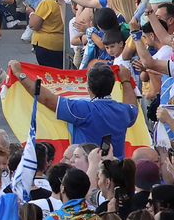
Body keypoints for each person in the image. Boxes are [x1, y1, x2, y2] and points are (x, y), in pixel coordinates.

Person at [8, 61, 139, 158]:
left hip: (86, 170)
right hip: (116, 170)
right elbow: (133, 107)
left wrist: (20, 75)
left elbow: (47, 99)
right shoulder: (124, 111)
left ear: (88, 87)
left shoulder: (84, 110)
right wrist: (126, 81)